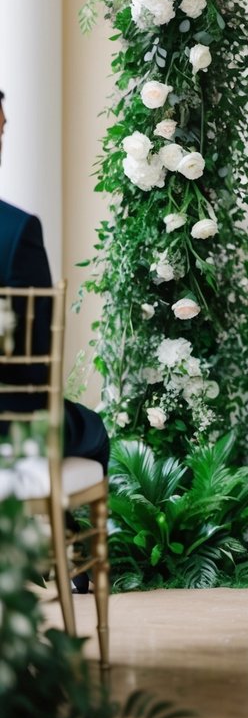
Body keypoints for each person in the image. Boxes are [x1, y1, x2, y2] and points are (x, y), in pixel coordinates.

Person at [0, 89, 109, 472]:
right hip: (12, 429)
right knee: (94, 430)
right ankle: (49, 531)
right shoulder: (16, 232)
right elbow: (36, 370)